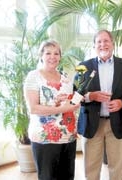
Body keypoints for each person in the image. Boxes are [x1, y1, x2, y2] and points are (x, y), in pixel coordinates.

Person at [76, 29, 122, 180]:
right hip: (91, 123)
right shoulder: (82, 66)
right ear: (94, 46)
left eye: (106, 41)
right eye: (99, 42)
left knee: (117, 167)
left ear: (113, 44)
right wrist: (92, 96)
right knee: (90, 166)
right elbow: (75, 93)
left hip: (118, 122)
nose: (103, 44)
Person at [23, 40, 80, 180]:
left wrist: (75, 103)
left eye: (56, 53)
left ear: (60, 57)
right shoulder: (34, 76)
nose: (52, 57)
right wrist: (62, 108)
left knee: (67, 177)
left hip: (68, 137)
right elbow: (33, 108)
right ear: (41, 55)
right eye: (48, 53)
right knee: (48, 177)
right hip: (45, 138)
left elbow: (69, 102)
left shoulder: (66, 79)